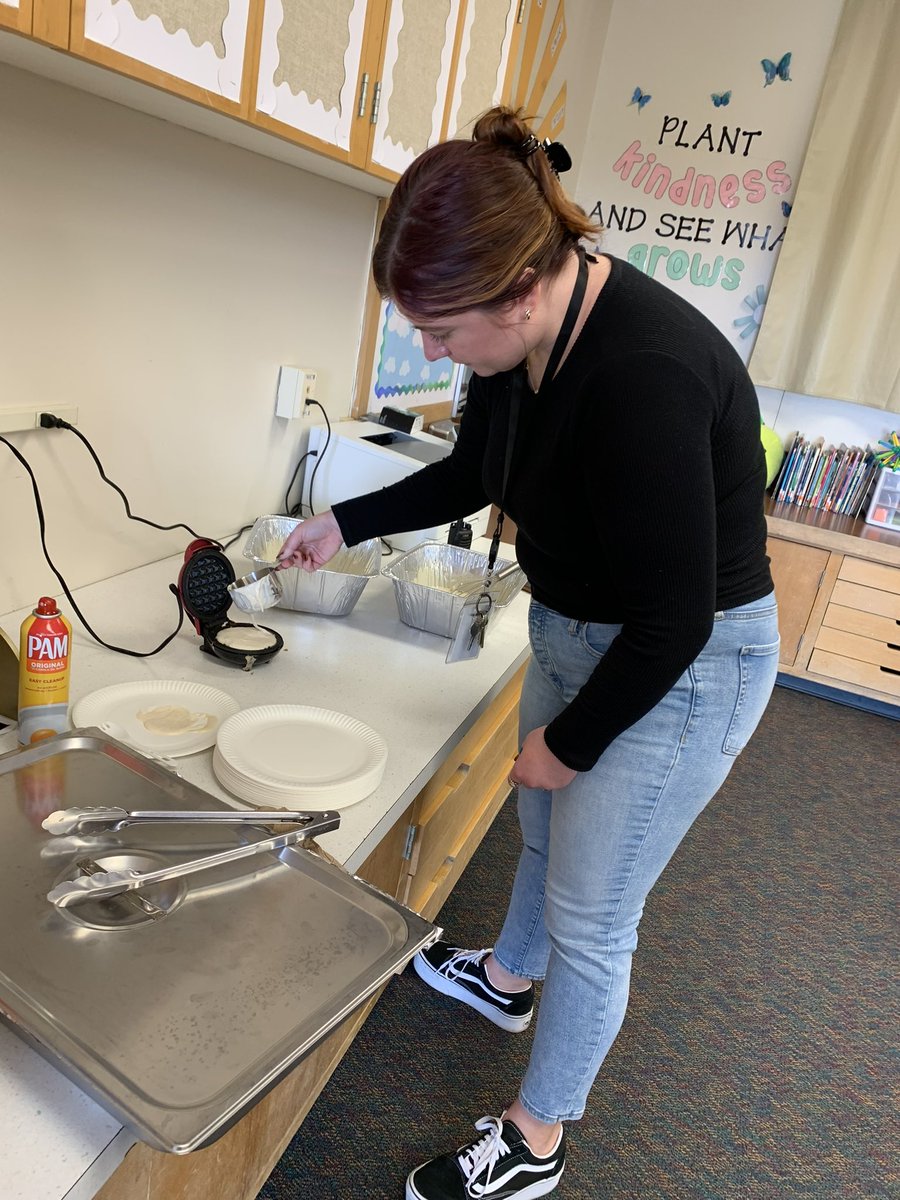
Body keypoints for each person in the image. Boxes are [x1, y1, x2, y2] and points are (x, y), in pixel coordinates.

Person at [278, 106, 780, 1200]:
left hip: (684, 664)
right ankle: (508, 979)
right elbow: (477, 472)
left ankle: (536, 1142)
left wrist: (575, 738)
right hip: (581, 619)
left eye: (443, 330)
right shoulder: (518, 341)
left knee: (597, 914)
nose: (433, 349)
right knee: (543, 832)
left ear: (519, 291)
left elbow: (677, 620)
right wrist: (343, 524)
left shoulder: (643, 374)